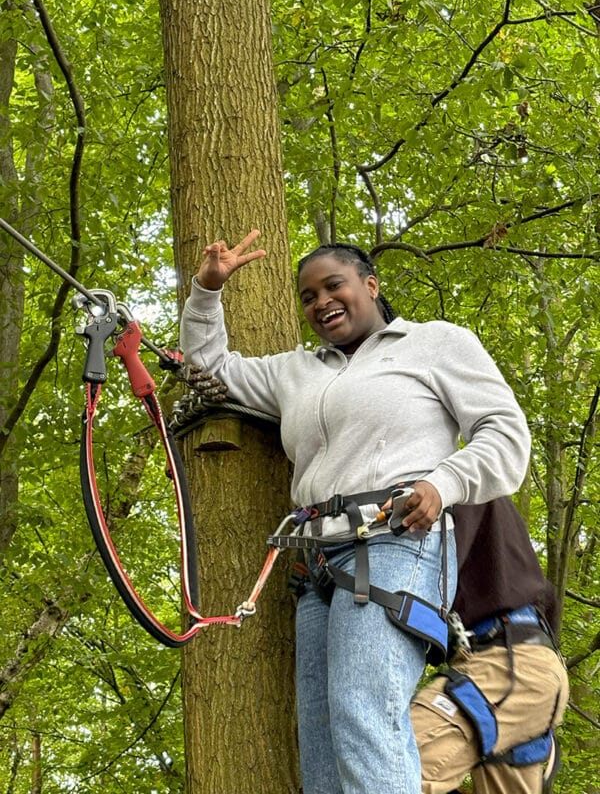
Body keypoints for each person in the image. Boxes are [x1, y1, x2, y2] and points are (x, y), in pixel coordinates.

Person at [180, 231, 531, 794]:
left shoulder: (434, 343)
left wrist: (444, 483)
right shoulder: (295, 371)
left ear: (370, 284)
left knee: (364, 713)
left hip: (397, 539)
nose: (321, 302)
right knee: (321, 743)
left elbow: (505, 433)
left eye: (333, 285)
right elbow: (209, 367)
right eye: (308, 296)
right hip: (315, 562)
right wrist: (207, 291)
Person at [411, 496, 570, 794]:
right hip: (523, 665)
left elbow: (419, 581)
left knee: (392, 762)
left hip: (507, 664)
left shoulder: (461, 486)